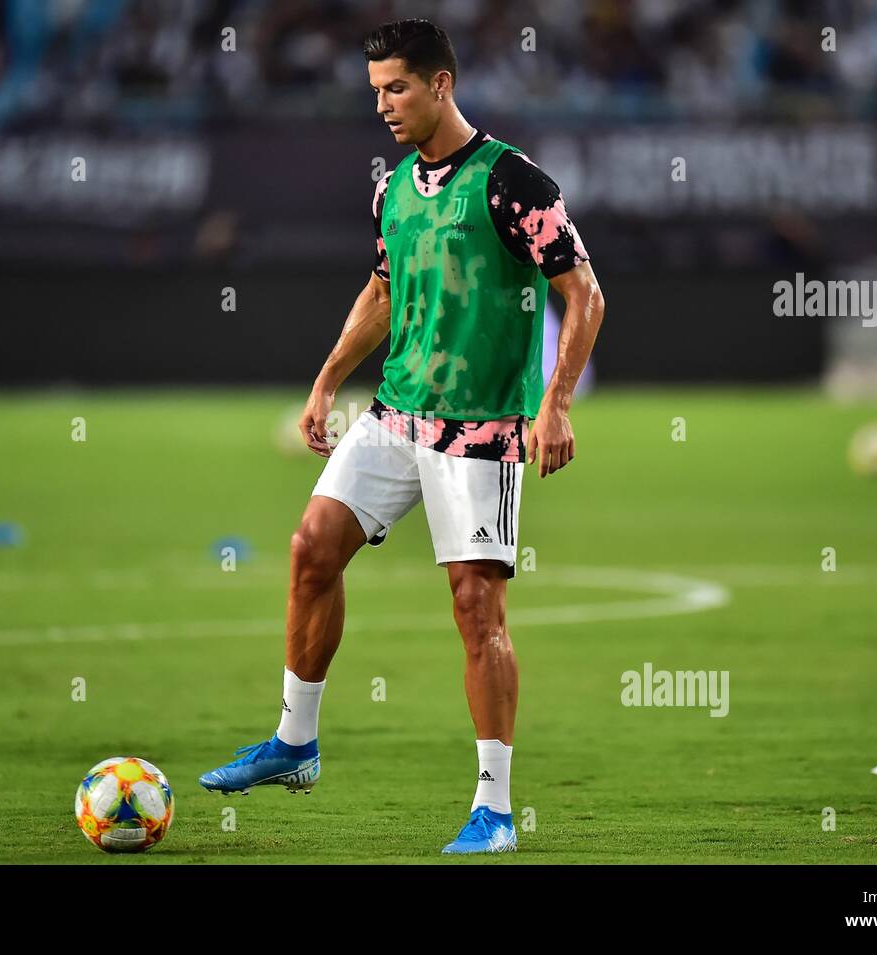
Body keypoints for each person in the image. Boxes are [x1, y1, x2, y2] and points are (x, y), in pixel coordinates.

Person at [199, 17, 605, 855]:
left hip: (481, 432)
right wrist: (325, 381)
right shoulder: (394, 191)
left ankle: (494, 808)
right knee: (311, 547)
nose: (383, 104)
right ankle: (295, 743)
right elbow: (384, 291)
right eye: (376, 89)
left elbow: (586, 294)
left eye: (397, 88)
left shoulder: (511, 182)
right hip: (393, 414)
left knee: (476, 606)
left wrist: (555, 403)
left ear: (441, 84)